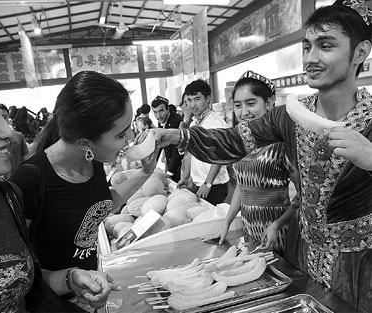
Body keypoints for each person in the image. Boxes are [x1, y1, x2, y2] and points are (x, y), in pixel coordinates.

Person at [152, 2, 372, 311]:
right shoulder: (289, 116)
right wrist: (176, 135)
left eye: (326, 46)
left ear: (360, 52)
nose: (310, 58)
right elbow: (232, 141)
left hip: (358, 268)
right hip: (300, 253)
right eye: (307, 46)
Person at [0, 64, 118, 312]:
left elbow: (28, 284)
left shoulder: (6, 200)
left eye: (1, 117)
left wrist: (72, 277)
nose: (7, 131)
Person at [9, 71, 158, 310]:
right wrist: (71, 279)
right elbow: (16, 270)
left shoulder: (92, 160)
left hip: (88, 293)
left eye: (128, 128)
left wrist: (145, 172)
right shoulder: (30, 179)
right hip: (52, 303)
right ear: (85, 142)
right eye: (121, 134)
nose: (130, 138)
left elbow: (102, 203)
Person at [203, 70, 297, 256]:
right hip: (250, 232)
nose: (244, 112)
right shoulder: (240, 145)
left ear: (269, 103)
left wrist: (277, 225)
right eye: (238, 105)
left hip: (278, 235)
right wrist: (226, 224)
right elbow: (242, 185)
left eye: (251, 103)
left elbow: (304, 197)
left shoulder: (282, 144)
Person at [177, 79, 230, 206]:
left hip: (214, 185)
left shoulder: (216, 123)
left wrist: (208, 183)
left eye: (197, 99)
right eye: (189, 100)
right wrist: (185, 177)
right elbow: (191, 153)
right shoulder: (194, 123)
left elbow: (219, 156)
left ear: (208, 99)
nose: (192, 105)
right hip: (198, 183)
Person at [151, 95, 184, 183]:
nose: (158, 116)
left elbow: (177, 148)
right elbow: (159, 144)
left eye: (161, 111)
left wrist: (170, 171)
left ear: (168, 109)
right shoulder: (162, 120)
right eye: (155, 112)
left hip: (181, 166)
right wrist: (151, 165)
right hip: (170, 162)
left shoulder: (177, 121)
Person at [0, 103, 30, 177]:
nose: (2, 120)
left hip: (19, 178)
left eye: (5, 117)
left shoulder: (18, 136)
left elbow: (26, 158)